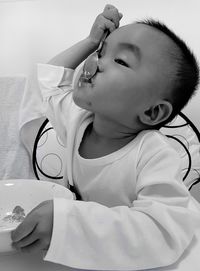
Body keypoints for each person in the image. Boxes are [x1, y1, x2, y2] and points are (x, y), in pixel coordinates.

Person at [12, 4, 200, 271]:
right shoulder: (78, 119)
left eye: (121, 60)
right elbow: (49, 84)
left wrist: (69, 221)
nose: (96, 62)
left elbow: (163, 233)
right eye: (102, 52)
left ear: (152, 111)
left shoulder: (155, 156)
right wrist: (90, 42)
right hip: (101, 254)